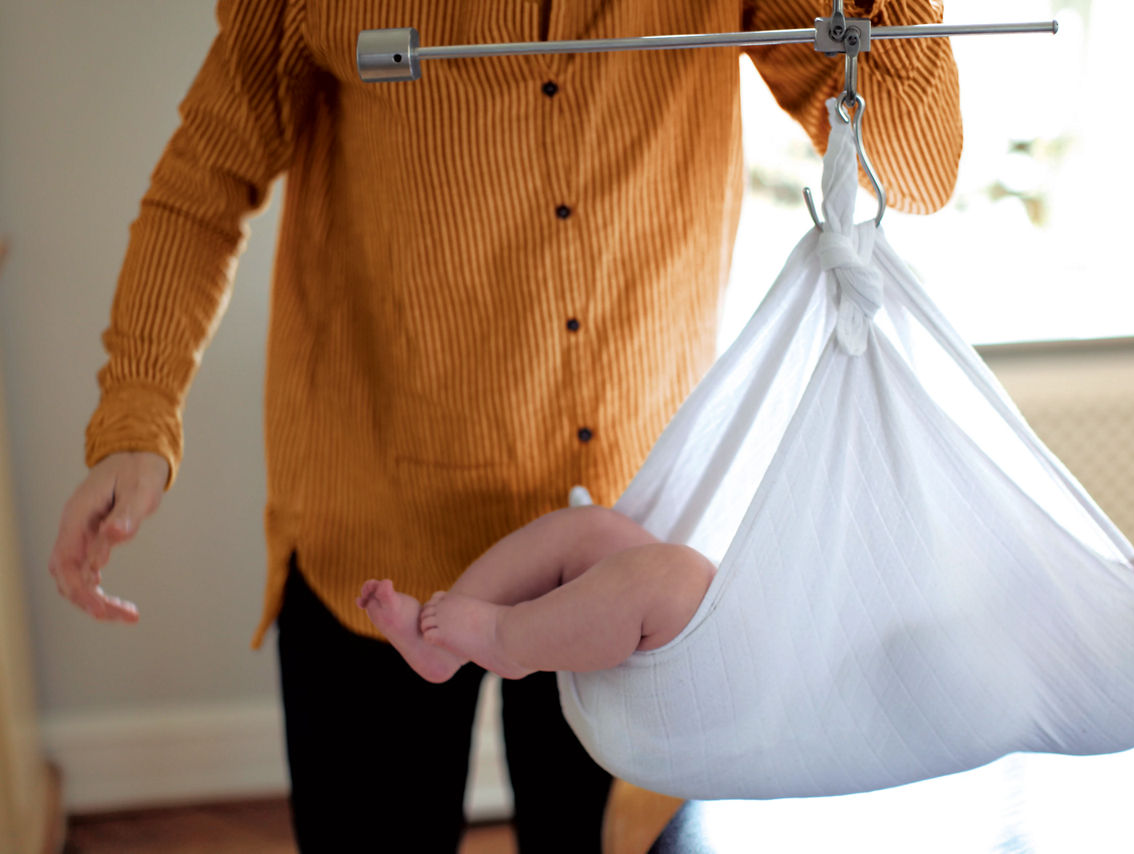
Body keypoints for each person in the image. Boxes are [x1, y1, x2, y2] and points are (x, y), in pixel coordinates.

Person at [46, 0, 963, 850]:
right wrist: (136, 416)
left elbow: (916, 170)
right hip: (374, 526)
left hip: (631, 536)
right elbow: (204, 180)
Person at [359, 505, 715, 684]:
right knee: (590, 529)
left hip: (727, 652)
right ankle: (436, 647)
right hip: (721, 601)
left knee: (672, 575)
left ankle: (502, 635)